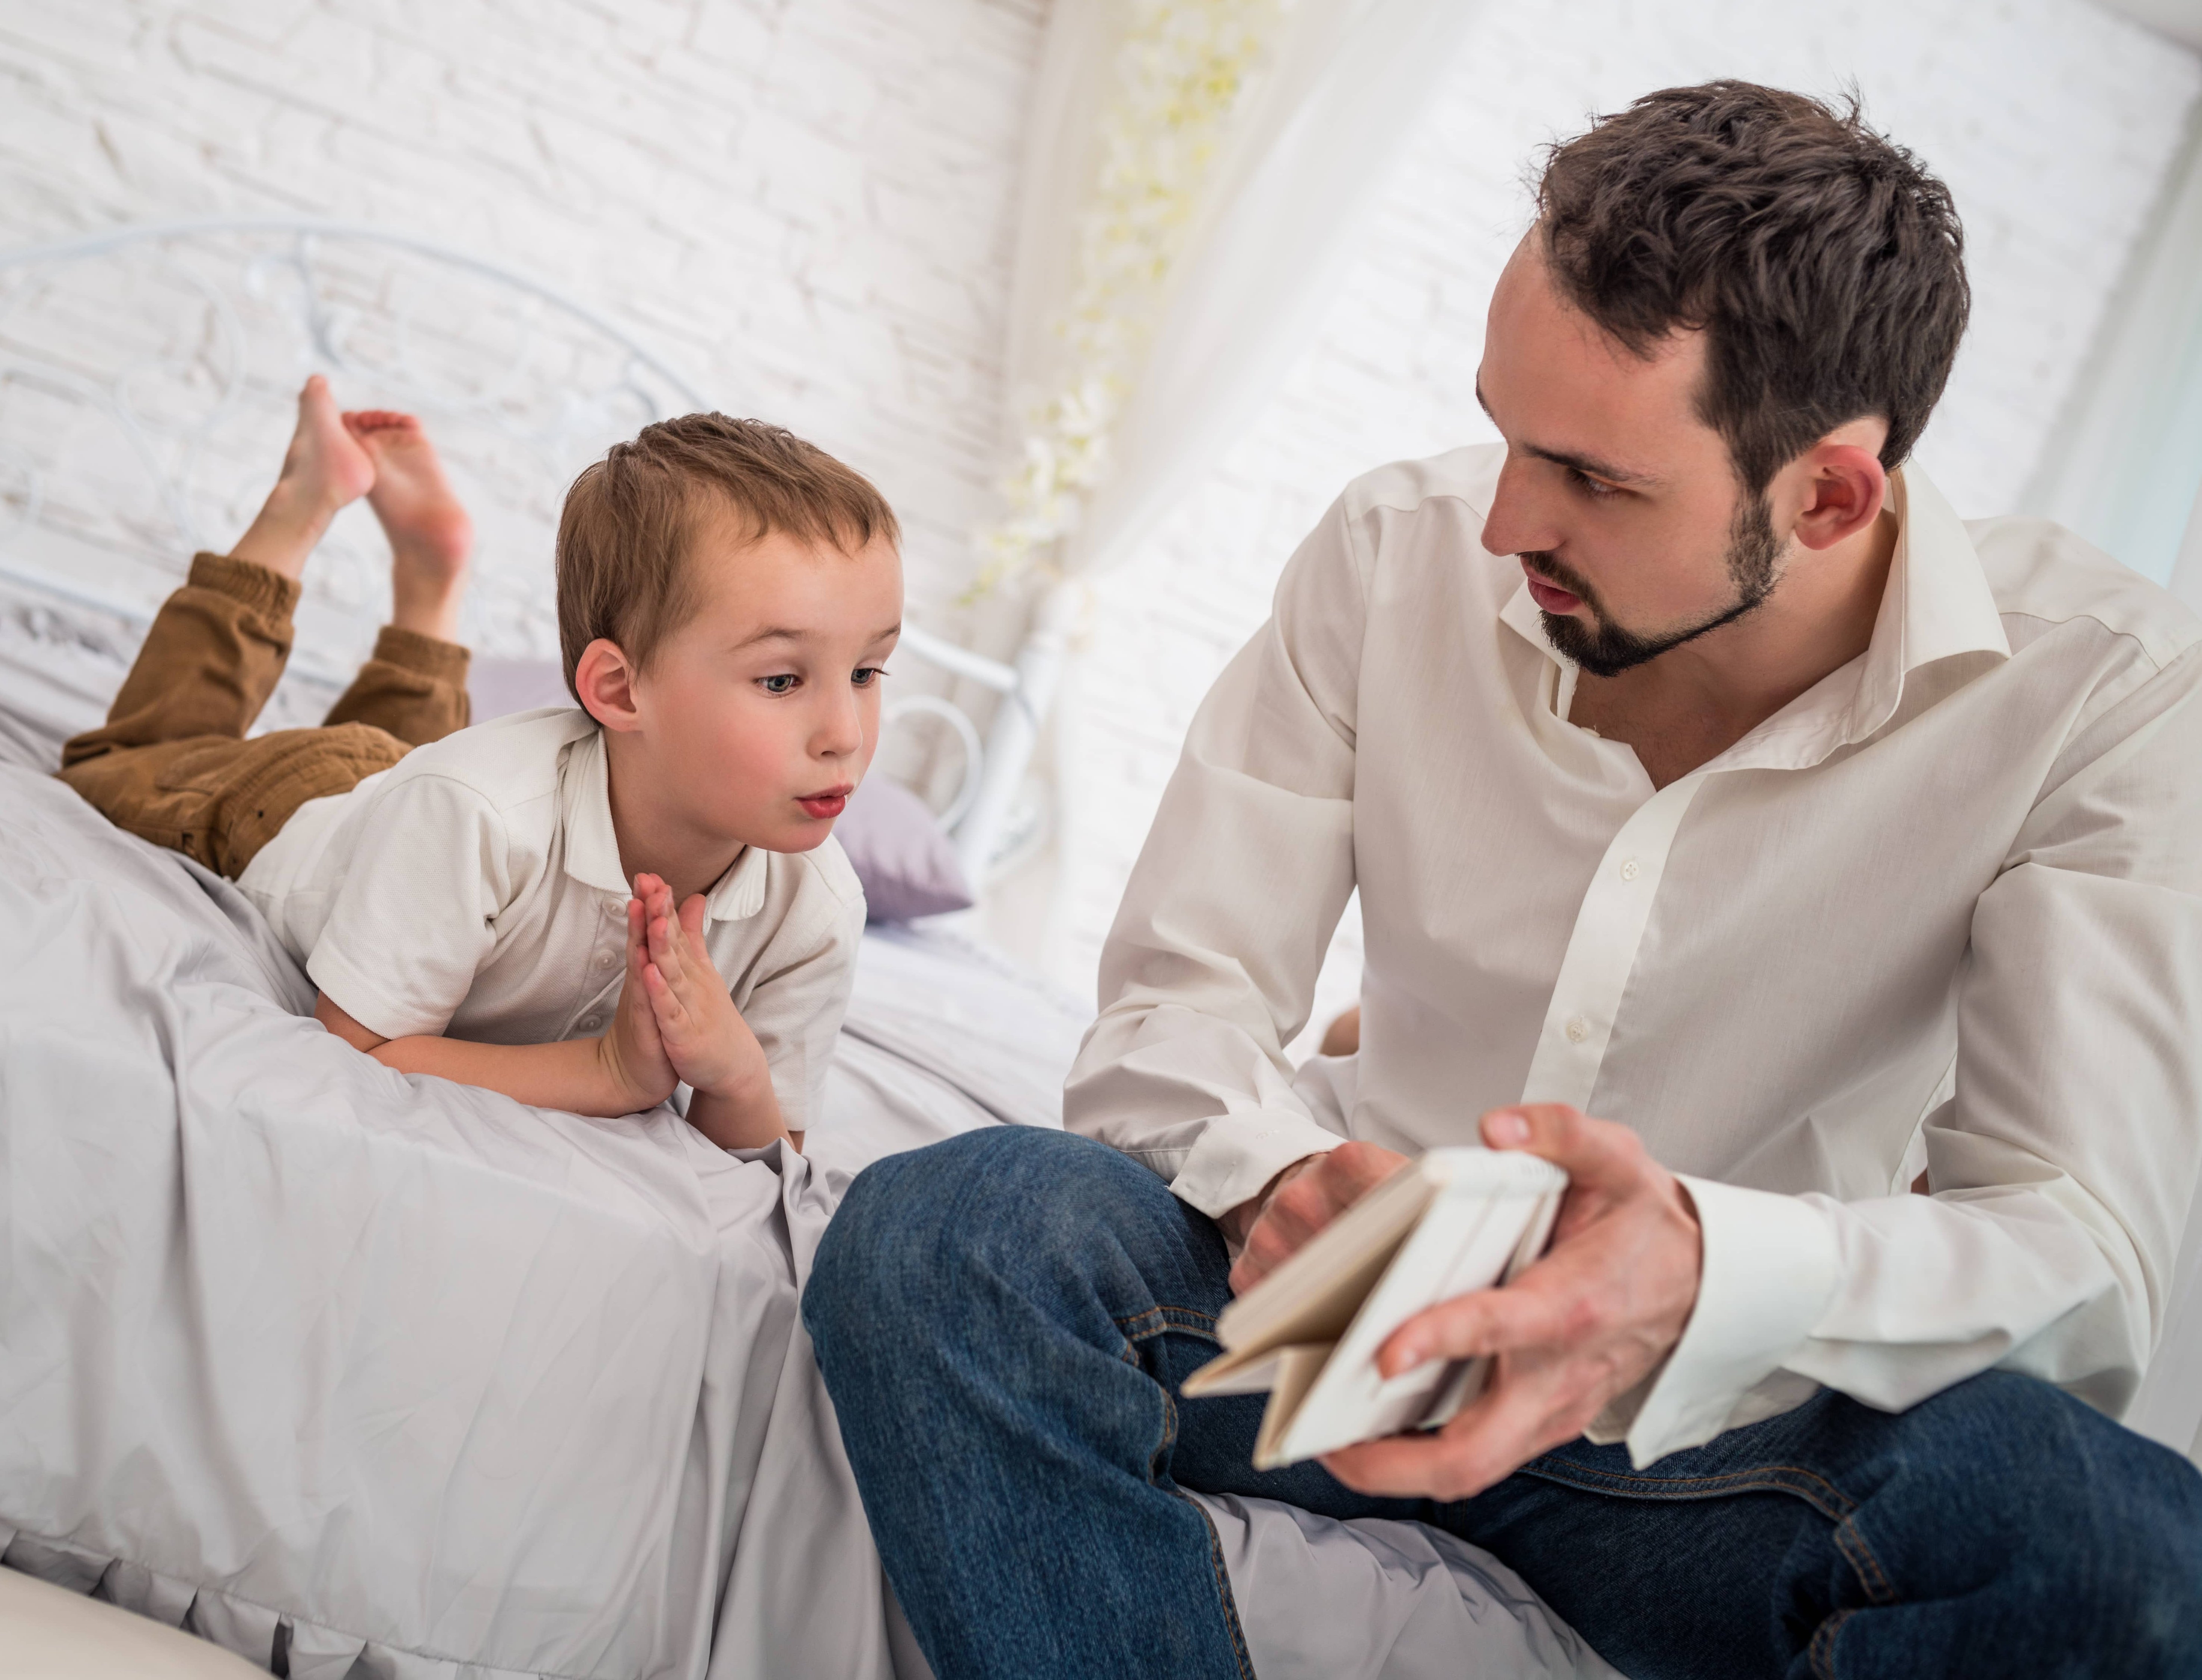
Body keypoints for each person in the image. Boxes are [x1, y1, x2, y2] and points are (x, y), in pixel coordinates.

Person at [803, 81, 2202, 1677]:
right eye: (1500, 428)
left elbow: (2073, 1257)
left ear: (1824, 494)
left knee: (2123, 1550)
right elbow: (1177, 1008)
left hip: (1710, 1426)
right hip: (1328, 1319)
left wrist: (1690, 1271)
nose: (1501, 516)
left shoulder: (2097, 693)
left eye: (1594, 480)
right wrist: (1271, 1182)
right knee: (952, 1233)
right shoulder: (1389, 554)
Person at [57, 377, 899, 1150]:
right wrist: (608, 1072)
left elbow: (763, 1154)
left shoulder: (817, 908)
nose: (844, 733)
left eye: (866, 672)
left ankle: (431, 575)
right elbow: (359, 1046)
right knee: (126, 762)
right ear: (620, 689)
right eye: (783, 679)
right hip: (291, 806)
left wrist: (737, 1071)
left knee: (416, 764)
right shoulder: (474, 811)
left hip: (413, 795)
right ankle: (297, 511)